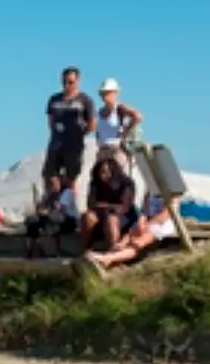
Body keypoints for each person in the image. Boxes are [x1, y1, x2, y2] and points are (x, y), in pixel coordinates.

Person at [86, 194, 181, 272]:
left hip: (162, 224)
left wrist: (146, 226)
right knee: (124, 240)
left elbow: (165, 216)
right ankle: (108, 258)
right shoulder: (152, 188)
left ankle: (107, 258)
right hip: (147, 221)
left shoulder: (174, 192)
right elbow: (144, 210)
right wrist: (141, 221)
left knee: (138, 242)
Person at [43, 66, 92, 199]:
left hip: (74, 145)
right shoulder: (54, 99)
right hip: (56, 144)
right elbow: (50, 121)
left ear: (78, 81)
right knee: (50, 175)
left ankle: (71, 208)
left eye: (70, 82)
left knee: (71, 179)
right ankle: (54, 202)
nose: (67, 85)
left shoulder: (85, 100)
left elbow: (92, 124)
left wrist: (79, 134)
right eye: (64, 82)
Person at [80, 155, 137, 252]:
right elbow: (91, 204)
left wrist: (105, 206)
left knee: (111, 219)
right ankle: (86, 249)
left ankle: (113, 252)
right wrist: (109, 207)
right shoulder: (96, 183)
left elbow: (125, 207)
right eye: (100, 172)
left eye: (105, 172)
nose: (103, 175)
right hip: (101, 214)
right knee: (87, 216)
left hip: (123, 216)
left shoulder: (126, 183)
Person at [93, 78, 143, 169]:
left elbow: (138, 116)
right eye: (102, 93)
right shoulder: (100, 112)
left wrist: (126, 130)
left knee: (116, 180)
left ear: (115, 93)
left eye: (108, 93)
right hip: (102, 151)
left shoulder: (120, 107)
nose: (104, 96)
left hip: (116, 150)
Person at [25, 182, 77, 258]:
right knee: (32, 220)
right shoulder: (48, 194)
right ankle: (32, 248)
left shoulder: (66, 193)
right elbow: (40, 208)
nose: (51, 185)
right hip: (50, 216)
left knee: (51, 219)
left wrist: (46, 212)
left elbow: (59, 208)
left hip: (67, 219)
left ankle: (52, 251)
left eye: (53, 183)